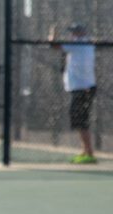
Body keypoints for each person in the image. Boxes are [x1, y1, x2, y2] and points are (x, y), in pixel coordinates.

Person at [49, 23, 97, 164]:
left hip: (82, 88)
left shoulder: (77, 44)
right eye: (72, 32)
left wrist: (52, 33)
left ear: (82, 33)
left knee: (81, 121)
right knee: (80, 121)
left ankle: (89, 153)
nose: (73, 34)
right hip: (84, 88)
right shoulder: (87, 44)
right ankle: (85, 151)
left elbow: (54, 45)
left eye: (75, 32)